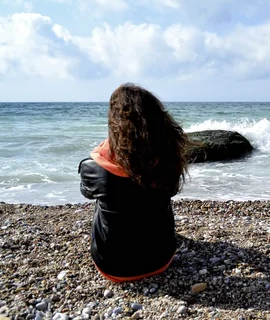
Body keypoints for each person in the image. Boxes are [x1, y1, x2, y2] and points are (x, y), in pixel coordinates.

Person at [78, 83, 188, 282]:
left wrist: (104, 152)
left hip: (113, 266)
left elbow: (86, 191)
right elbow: (172, 190)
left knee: (102, 200)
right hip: (161, 259)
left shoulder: (95, 167)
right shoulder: (168, 159)